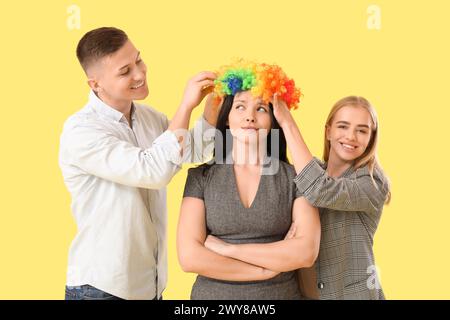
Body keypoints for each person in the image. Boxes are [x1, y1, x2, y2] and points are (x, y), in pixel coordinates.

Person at [59, 27, 219, 300]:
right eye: (125, 71)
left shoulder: (149, 118)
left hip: (149, 286)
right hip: (101, 288)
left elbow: (191, 152)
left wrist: (212, 108)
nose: (140, 73)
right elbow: (153, 171)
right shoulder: (81, 131)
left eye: (139, 60)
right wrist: (185, 106)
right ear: (95, 84)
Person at [177, 60, 321, 300]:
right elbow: (190, 257)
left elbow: (305, 252)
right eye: (240, 107)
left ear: (273, 120)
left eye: (261, 109)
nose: (250, 117)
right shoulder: (200, 177)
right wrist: (264, 270)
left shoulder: (297, 178)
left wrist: (229, 249)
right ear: (226, 118)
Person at [268, 94, 392, 299]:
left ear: (371, 138)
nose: (351, 136)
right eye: (343, 126)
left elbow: (320, 189)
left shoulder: (373, 182)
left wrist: (287, 123)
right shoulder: (310, 171)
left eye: (362, 130)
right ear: (328, 131)